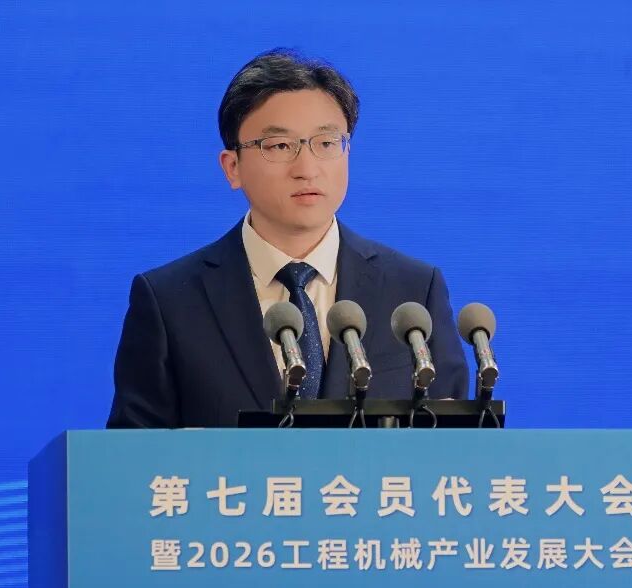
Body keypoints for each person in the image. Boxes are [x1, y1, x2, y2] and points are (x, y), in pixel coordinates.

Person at [107, 49, 468, 428]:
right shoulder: (170, 301)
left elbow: (455, 443)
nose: (307, 168)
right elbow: (133, 453)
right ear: (232, 167)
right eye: (280, 146)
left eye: (326, 143)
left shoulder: (413, 291)